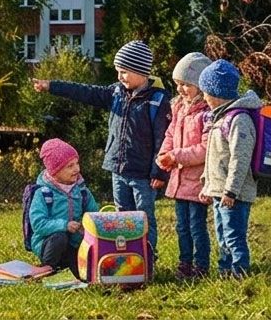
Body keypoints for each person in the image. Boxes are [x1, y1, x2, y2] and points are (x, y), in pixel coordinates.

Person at [31, 39, 169, 265]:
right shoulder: (115, 93)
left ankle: (146, 259)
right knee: (122, 216)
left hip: (143, 174)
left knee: (144, 219)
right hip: (117, 169)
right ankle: (126, 259)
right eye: (118, 71)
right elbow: (84, 92)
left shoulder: (157, 100)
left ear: (141, 71)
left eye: (124, 72)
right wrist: (52, 86)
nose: (120, 77)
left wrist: (159, 171)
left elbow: (162, 140)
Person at [198, 58, 260, 278]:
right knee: (222, 234)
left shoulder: (239, 119)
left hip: (234, 193)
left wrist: (230, 191)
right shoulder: (220, 117)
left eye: (205, 92)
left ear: (215, 93)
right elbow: (213, 155)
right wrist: (207, 184)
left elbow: (240, 158)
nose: (203, 97)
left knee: (234, 235)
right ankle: (225, 271)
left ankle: (239, 272)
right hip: (219, 190)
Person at [156, 52, 213, 280]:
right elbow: (170, 134)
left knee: (197, 226)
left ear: (200, 86)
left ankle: (201, 265)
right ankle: (184, 262)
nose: (180, 89)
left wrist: (176, 156)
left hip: (197, 182)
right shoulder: (179, 108)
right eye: (178, 84)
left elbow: (205, 148)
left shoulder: (206, 114)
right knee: (182, 226)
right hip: (179, 181)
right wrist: (163, 154)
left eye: (186, 85)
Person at [27, 138, 100, 278]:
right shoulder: (43, 193)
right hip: (49, 243)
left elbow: (94, 214)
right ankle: (48, 267)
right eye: (70, 166)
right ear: (55, 171)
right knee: (60, 238)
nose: (76, 169)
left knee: (83, 271)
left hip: (75, 242)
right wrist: (64, 225)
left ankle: (83, 270)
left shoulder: (82, 191)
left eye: (77, 163)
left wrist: (88, 226)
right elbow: (38, 223)